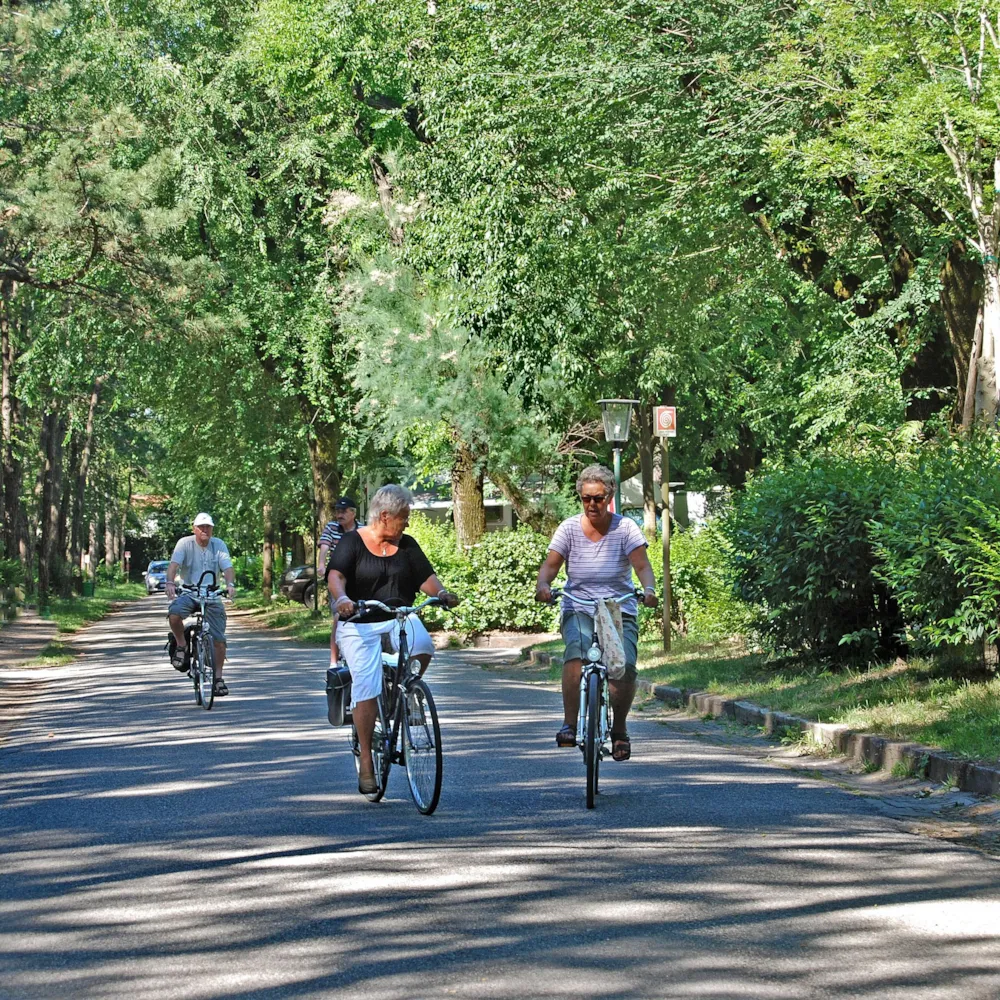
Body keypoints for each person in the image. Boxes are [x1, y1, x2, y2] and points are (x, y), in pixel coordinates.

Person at [327, 484, 458, 795]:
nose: (407, 523)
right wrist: (343, 598)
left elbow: (425, 577)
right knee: (367, 686)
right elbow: (336, 575)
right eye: (403, 517)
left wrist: (440, 593)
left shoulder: (408, 545)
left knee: (424, 645)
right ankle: (368, 763)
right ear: (384, 516)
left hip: (397, 616)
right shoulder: (351, 542)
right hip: (359, 622)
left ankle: (406, 691)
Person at [535, 464, 658, 762]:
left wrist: (650, 590)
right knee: (576, 653)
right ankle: (569, 723)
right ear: (581, 497)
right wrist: (543, 585)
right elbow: (550, 566)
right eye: (587, 498)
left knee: (624, 666)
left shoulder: (625, 528)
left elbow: (642, 566)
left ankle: (619, 730)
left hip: (618, 608)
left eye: (599, 498)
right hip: (579, 605)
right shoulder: (568, 528)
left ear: (610, 496)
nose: (592, 504)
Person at [165, 513, 236, 696]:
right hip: (189, 592)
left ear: (212, 529)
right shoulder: (184, 543)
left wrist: (229, 584)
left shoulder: (218, 544)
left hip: (211, 594)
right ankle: (182, 645)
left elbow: (227, 567)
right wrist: (170, 583)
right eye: (201, 527)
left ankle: (218, 679)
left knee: (219, 639)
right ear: (194, 528)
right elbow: (174, 565)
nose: (205, 530)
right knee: (174, 614)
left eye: (208, 527)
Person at [318, 496, 358, 667]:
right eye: (337, 511)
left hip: (357, 579)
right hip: (337, 579)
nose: (339, 514)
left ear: (353, 513)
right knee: (338, 616)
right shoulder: (332, 527)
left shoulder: (362, 529)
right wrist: (321, 565)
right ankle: (334, 662)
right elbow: (325, 546)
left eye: (343, 511)